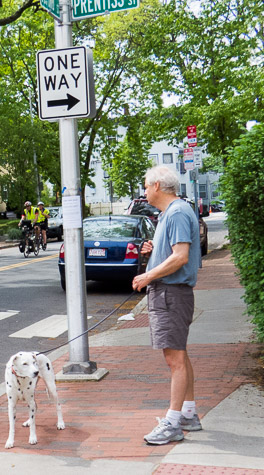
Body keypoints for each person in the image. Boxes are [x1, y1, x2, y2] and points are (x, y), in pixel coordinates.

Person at [132, 165, 202, 445]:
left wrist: (148, 274)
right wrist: (154, 251)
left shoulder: (176, 212)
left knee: (174, 359)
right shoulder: (170, 214)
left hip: (171, 294)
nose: (145, 190)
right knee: (179, 355)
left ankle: (173, 424)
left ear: (158, 186)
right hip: (170, 293)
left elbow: (181, 256)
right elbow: (172, 253)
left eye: (147, 185)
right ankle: (187, 414)